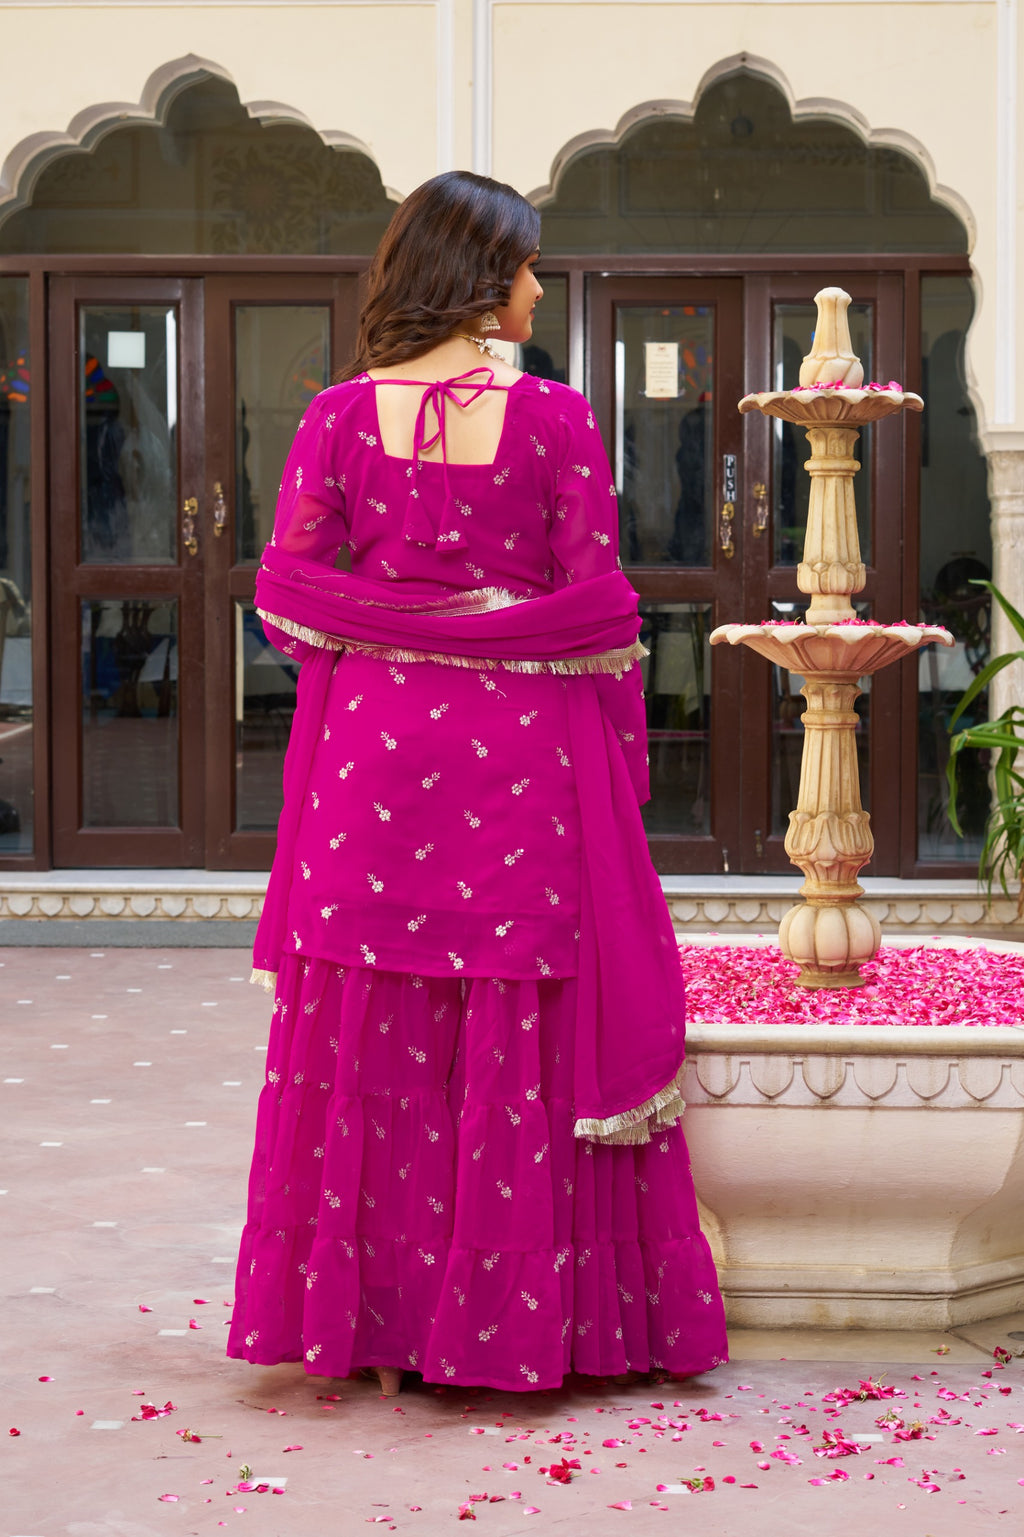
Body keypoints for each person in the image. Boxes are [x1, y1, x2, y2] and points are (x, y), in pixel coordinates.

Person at [227, 171, 727, 1396]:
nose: (536, 288)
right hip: (518, 758)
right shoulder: (551, 417)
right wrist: (493, 631)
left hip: (374, 753)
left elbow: (289, 596)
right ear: (479, 274)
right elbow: (599, 603)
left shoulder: (338, 416)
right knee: (514, 1021)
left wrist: (394, 633)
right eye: (525, 266)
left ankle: (377, 1330)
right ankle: (512, 1332)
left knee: (375, 1025)